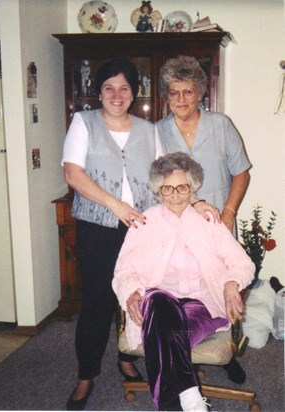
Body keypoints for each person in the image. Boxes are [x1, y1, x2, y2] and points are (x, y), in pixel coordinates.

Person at [62, 58, 217, 411]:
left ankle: (125, 357)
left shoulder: (149, 130)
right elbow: (74, 174)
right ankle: (86, 375)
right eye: (109, 88)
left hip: (144, 229)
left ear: (134, 94)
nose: (116, 95)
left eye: (124, 88)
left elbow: (166, 175)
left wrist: (196, 202)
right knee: (98, 304)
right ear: (98, 92)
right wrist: (117, 207)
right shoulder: (83, 123)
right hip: (99, 229)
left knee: (138, 297)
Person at [112, 152, 255, 412]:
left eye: (182, 187)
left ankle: (176, 404)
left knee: (164, 337)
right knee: (156, 299)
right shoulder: (144, 222)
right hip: (158, 302)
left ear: (193, 189)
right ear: (158, 190)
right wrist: (132, 292)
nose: (175, 194)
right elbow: (123, 271)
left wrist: (231, 283)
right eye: (167, 188)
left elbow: (242, 263)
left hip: (202, 305)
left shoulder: (207, 221)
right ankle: (191, 399)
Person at [156, 55, 251, 233]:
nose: (181, 99)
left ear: (199, 94)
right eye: (174, 93)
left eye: (188, 92)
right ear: (166, 97)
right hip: (175, 224)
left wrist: (228, 214)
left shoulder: (221, 125)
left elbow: (242, 173)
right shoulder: (156, 131)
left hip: (219, 219)